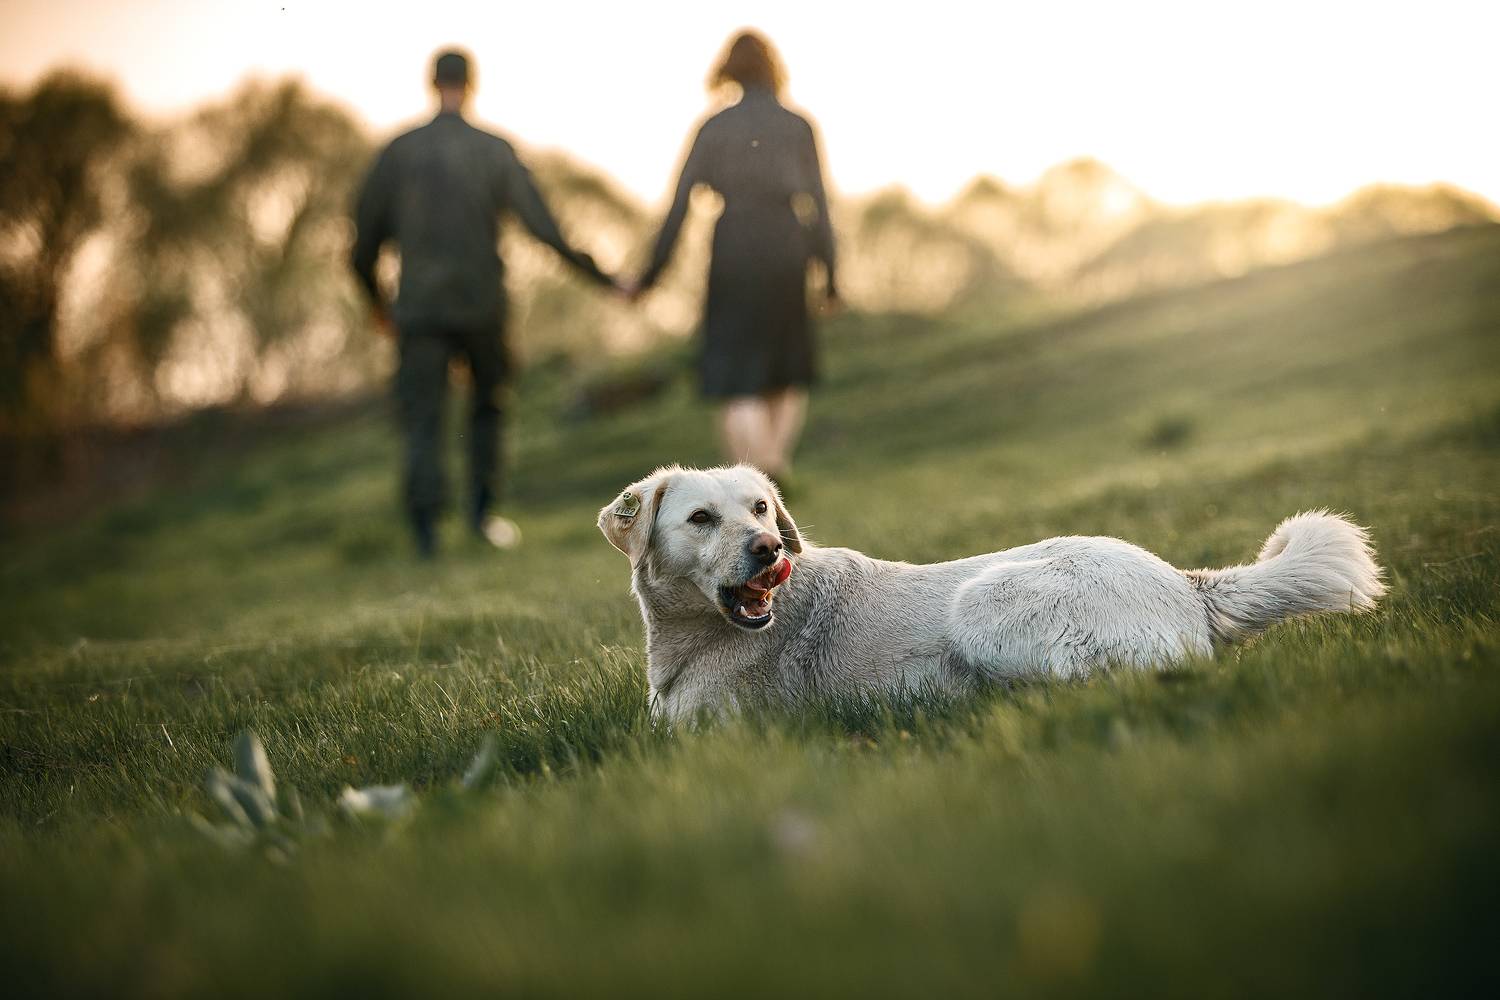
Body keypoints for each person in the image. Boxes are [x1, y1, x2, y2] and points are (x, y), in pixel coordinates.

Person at [350, 49, 614, 557]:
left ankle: (426, 533)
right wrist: (602, 276)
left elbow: (362, 245)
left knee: (423, 416)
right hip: (482, 307)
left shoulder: (398, 152)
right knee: (487, 409)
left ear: (432, 84)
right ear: (471, 86)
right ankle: (482, 516)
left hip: (420, 310)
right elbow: (544, 228)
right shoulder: (494, 151)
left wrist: (377, 303)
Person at [627, 30, 838, 485]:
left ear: (728, 72)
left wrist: (649, 276)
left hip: (733, 249)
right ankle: (773, 463)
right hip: (787, 246)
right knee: (787, 368)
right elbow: (819, 205)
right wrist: (831, 275)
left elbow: (679, 205)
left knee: (736, 375)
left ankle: (760, 469)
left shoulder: (713, 128)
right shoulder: (798, 126)